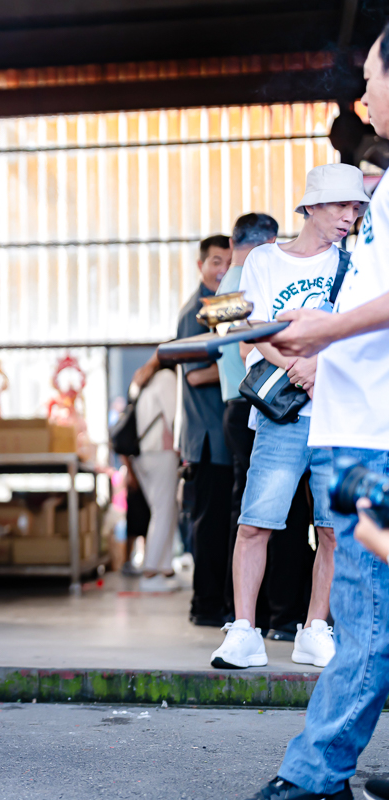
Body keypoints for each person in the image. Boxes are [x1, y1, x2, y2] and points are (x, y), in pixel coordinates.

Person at [246, 26, 389, 800]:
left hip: (369, 440)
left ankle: (313, 775)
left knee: (365, 622)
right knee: (369, 612)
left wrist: (322, 332)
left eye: (373, 79)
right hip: (349, 429)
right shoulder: (274, 257)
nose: (366, 97)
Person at [212, 168, 368, 673]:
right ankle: (243, 631)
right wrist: (299, 367)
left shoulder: (358, 263)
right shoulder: (264, 259)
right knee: (257, 520)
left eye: (357, 208)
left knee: (332, 529)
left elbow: (359, 334)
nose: (350, 216)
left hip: (339, 412)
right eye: (341, 206)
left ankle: (315, 629)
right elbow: (254, 331)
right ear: (312, 207)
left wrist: (320, 365)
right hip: (285, 415)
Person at [217, 213, 316, 642]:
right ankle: (280, 616)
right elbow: (246, 343)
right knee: (281, 521)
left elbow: (225, 332)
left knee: (248, 518)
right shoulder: (260, 273)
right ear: (269, 239)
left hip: (246, 404)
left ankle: (243, 615)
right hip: (271, 401)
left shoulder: (223, 289)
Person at [177, 234, 235, 627]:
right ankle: (206, 606)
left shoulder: (226, 306)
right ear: (201, 266)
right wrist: (238, 368)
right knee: (210, 528)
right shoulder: (198, 310)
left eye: (230, 261)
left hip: (226, 438)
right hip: (208, 439)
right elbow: (195, 375)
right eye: (216, 261)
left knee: (223, 527)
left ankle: (220, 604)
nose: (224, 269)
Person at [125, 354, 180, 591]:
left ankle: (165, 569)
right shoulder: (167, 377)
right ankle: (150, 573)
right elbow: (173, 418)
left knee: (165, 509)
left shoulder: (143, 379)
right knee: (163, 511)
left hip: (142, 453)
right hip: (161, 450)